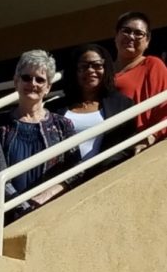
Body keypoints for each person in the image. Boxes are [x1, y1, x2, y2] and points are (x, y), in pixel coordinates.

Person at [0, 50, 81, 207]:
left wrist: (46, 196)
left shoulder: (62, 126)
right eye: (26, 78)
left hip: (50, 209)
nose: (33, 84)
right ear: (16, 81)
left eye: (40, 80)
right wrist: (18, 203)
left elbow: (76, 169)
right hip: (5, 211)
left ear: (48, 87)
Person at [53, 44, 135, 176]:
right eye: (84, 66)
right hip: (61, 181)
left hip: (103, 178)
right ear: (75, 71)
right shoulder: (55, 108)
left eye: (97, 65)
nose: (90, 70)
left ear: (106, 68)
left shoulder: (122, 105)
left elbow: (127, 146)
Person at [114, 11, 167, 150]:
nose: (131, 37)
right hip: (106, 144)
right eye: (126, 31)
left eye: (138, 33)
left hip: (135, 145)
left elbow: (165, 106)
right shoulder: (102, 71)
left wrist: (152, 135)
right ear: (116, 36)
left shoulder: (152, 65)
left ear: (147, 41)